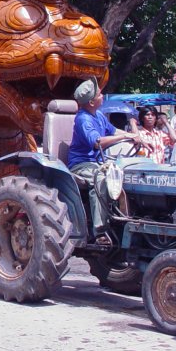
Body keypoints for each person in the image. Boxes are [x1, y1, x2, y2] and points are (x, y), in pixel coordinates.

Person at [66, 78, 140, 243]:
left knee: (123, 173)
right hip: (81, 165)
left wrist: (134, 136)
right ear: (92, 102)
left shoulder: (98, 115)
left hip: (97, 163)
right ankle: (100, 231)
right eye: (100, 94)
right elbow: (97, 142)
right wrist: (125, 136)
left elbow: (113, 131)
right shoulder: (83, 119)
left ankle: (125, 218)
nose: (103, 95)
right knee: (100, 178)